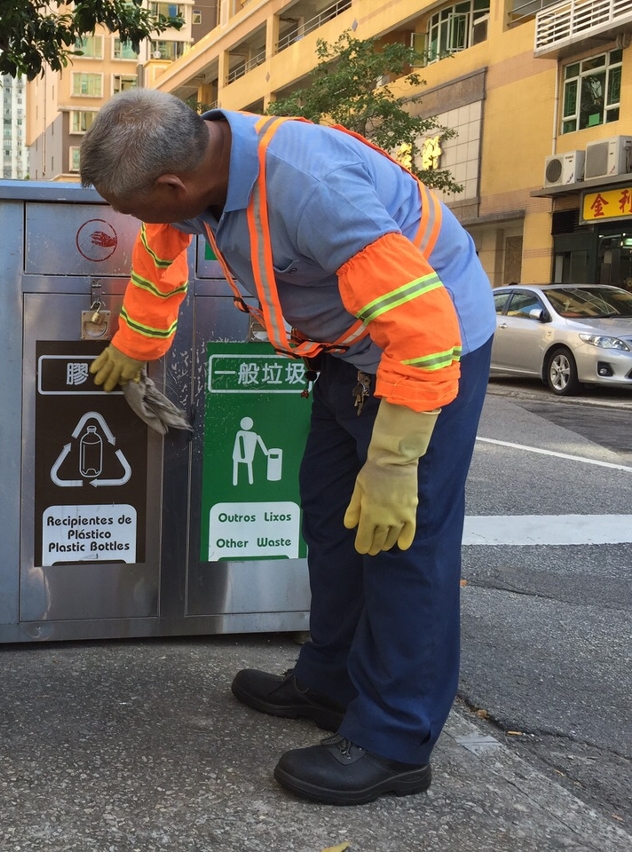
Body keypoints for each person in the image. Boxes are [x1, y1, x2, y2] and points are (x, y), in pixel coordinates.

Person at [79, 89, 495, 806]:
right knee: (332, 519)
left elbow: (424, 327)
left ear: (172, 185)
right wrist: (137, 340)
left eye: (133, 205)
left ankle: (396, 740)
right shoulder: (200, 175)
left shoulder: (309, 188)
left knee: (401, 540)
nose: (133, 221)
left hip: (426, 351)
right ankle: (330, 683)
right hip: (345, 349)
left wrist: (395, 460)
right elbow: (161, 248)